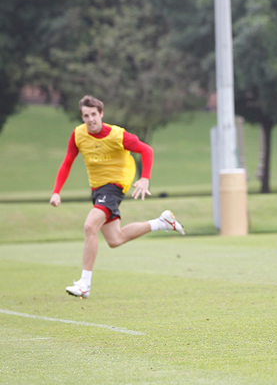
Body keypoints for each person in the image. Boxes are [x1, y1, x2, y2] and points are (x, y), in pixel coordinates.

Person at [50, 95, 185, 299]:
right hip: (98, 190)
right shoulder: (78, 134)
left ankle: (84, 284)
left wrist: (145, 178)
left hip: (115, 186)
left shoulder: (117, 135)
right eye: (86, 115)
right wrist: (56, 191)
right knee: (115, 239)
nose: (90, 119)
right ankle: (161, 222)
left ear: (101, 114)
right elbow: (68, 161)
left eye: (94, 114)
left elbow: (146, 150)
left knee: (89, 226)